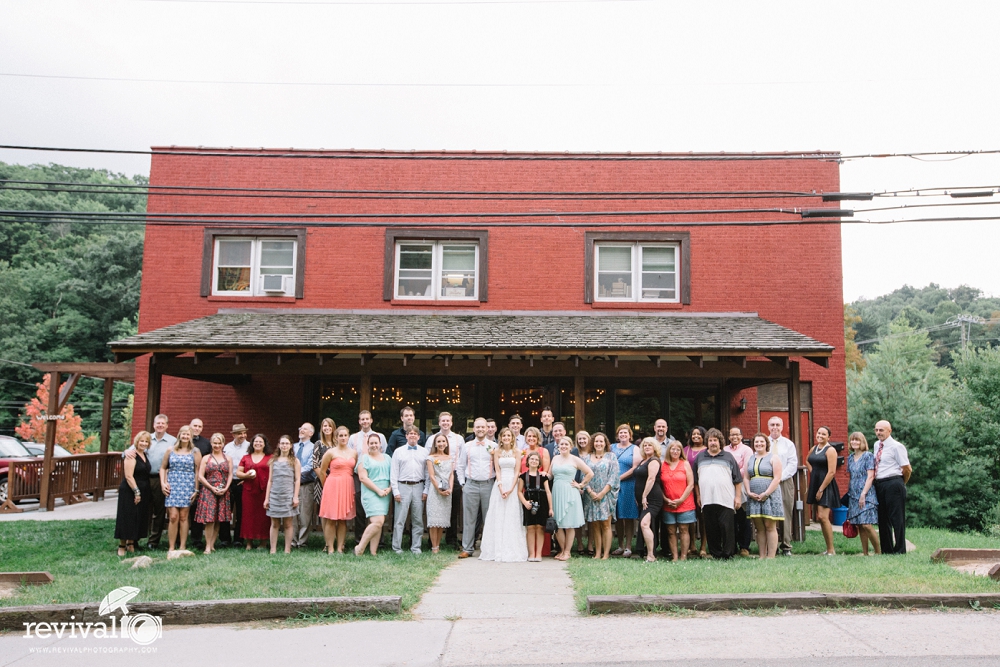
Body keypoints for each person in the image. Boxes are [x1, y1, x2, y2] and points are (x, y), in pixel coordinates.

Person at [692, 428, 742, 560]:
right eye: (710, 440)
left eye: (715, 440)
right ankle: (716, 553)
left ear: (720, 442)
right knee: (711, 527)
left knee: (727, 527)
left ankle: (727, 553)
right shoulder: (700, 457)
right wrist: (698, 496)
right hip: (707, 499)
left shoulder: (728, 457)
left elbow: (737, 480)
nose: (713, 443)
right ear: (707, 442)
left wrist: (738, 497)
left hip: (726, 498)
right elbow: (695, 481)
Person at [479, 427, 528, 562]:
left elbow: (518, 471)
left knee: (512, 516)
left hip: (513, 483)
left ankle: (512, 548)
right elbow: (498, 471)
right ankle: (496, 549)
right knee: (498, 515)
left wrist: (512, 488)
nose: (506, 438)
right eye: (504, 436)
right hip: (500, 485)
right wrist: (500, 486)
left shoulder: (517, 452)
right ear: (500, 438)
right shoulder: (497, 452)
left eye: (508, 435)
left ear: (512, 438)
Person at [133, 413, 175, 549]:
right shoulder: (146, 438)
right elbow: (130, 451)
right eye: (158, 423)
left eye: (163, 423)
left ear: (167, 425)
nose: (160, 425)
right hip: (144, 479)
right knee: (142, 509)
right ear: (154, 425)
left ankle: (153, 541)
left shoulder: (173, 441)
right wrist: (126, 453)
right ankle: (136, 538)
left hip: (161, 479)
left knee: (159, 510)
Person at [549, 437, 593, 561]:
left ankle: (567, 552)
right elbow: (549, 475)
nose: (563, 446)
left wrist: (580, 485)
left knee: (569, 524)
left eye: (566, 444)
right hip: (557, 492)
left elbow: (590, 473)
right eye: (561, 444)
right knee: (557, 524)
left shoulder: (575, 459)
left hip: (570, 493)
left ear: (570, 446)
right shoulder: (555, 458)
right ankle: (562, 550)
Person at [457, 418, 495, 558]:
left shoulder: (493, 446)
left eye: (482, 427)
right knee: (469, 518)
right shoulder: (467, 446)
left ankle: (488, 549)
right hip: (470, 484)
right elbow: (460, 466)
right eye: (477, 427)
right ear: (474, 429)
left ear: (487, 429)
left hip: (488, 485)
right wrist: (462, 483)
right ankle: (467, 548)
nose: (480, 429)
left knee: (489, 518)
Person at [427, 411, 465, 548]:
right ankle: (432, 542)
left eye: (448, 421)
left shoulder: (458, 439)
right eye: (443, 421)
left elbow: (461, 462)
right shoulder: (431, 439)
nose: (445, 423)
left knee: (452, 510)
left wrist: (460, 482)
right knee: (435, 511)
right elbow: (428, 459)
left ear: (451, 422)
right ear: (439, 422)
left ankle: (451, 540)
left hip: (452, 475)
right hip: (436, 476)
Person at [161, 425, 201, 552]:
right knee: (173, 516)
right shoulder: (170, 450)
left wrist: (196, 489)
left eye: (187, 434)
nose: (185, 436)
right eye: (183, 434)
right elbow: (163, 468)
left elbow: (197, 472)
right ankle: (171, 547)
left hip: (187, 486)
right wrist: (163, 483)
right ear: (179, 435)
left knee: (184, 516)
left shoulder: (195, 451)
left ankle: (183, 546)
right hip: (173, 485)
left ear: (191, 437)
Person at [873, 420, 911, 555]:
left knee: (897, 518)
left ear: (889, 431)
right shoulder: (877, 445)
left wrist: (900, 484)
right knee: (882, 518)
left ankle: (900, 549)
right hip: (880, 483)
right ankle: (887, 549)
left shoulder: (897, 447)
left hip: (894, 482)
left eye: (881, 430)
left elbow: (907, 469)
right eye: (876, 430)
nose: (878, 433)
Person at [744, 432, 783, 559]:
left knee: (769, 525)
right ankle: (761, 555)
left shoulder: (773, 458)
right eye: (756, 442)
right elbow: (746, 477)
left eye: (761, 442)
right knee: (759, 527)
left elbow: (777, 478)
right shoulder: (750, 459)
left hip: (770, 495)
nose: (759, 444)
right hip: (754, 496)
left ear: (766, 444)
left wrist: (766, 493)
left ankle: (771, 556)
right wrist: (749, 492)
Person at [391, 425, 429, 554]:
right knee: (399, 519)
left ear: (419, 437)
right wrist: (395, 491)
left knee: (417, 519)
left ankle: (416, 547)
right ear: (406, 436)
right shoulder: (398, 451)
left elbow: (428, 473)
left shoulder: (424, 452)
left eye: (415, 434)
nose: (412, 435)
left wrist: (426, 490)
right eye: (410, 433)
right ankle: (397, 547)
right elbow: (394, 473)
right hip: (403, 486)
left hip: (419, 486)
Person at [318, 425, 357, 554]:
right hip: (332, 485)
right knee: (331, 519)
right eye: (340, 435)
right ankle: (330, 547)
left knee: (342, 520)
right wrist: (327, 486)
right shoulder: (330, 452)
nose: (343, 438)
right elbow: (323, 471)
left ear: (348, 436)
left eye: (345, 435)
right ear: (336, 437)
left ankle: (340, 548)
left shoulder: (354, 453)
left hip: (347, 485)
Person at [350, 411, 387, 544]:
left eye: (367, 419)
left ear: (371, 420)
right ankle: (359, 540)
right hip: (359, 475)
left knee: (378, 508)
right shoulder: (353, 438)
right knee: (360, 509)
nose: (365, 421)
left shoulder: (380, 437)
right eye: (362, 419)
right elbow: (350, 456)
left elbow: (383, 454)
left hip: (377, 476)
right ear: (359, 421)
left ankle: (379, 542)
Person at [194, 432, 233, 555]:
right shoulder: (206, 458)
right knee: (210, 519)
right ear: (211, 443)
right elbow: (200, 476)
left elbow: (231, 474)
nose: (217, 445)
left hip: (223, 490)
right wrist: (211, 487)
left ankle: (212, 544)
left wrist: (226, 488)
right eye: (214, 443)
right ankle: (207, 546)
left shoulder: (228, 458)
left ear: (223, 444)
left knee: (218, 519)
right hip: (208, 490)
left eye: (219, 443)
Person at [115, 431, 153, 556]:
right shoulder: (131, 455)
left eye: (146, 441)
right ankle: (121, 546)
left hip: (144, 489)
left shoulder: (145, 455)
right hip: (130, 490)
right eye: (141, 441)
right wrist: (137, 492)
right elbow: (129, 476)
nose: (143, 443)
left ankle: (131, 544)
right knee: (127, 517)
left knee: (137, 517)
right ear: (137, 441)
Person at [583, 432, 619, 560]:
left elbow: (614, 476)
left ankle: (606, 554)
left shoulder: (611, 457)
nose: (598, 444)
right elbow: (583, 476)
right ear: (593, 443)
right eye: (596, 441)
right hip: (591, 495)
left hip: (606, 495)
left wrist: (603, 492)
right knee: (595, 525)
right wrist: (591, 492)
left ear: (605, 443)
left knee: (606, 524)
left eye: (601, 441)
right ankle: (597, 553)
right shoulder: (587, 458)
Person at [355, 433, 392, 556]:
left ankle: (373, 552)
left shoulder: (387, 458)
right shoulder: (364, 458)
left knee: (378, 523)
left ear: (380, 444)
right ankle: (360, 548)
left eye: (376, 443)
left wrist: (389, 488)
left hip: (385, 493)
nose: (374, 445)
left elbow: (394, 475)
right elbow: (363, 478)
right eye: (371, 443)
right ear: (368, 445)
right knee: (377, 521)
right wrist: (378, 490)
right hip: (371, 492)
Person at [806, 426, 840, 556]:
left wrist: (821, 489)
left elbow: (832, 472)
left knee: (823, 517)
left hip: (826, 485)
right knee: (820, 517)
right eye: (819, 433)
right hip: (816, 483)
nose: (820, 435)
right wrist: (813, 472)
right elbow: (807, 460)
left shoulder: (830, 450)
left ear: (828, 437)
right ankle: (828, 549)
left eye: (823, 434)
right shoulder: (814, 448)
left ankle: (831, 550)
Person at [768, 417, 799, 556]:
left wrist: (779, 477)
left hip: (784, 481)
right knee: (769, 513)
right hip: (767, 482)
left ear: (782, 426)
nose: (775, 427)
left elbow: (793, 464)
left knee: (786, 511)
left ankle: (786, 545)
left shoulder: (788, 444)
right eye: (772, 425)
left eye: (777, 425)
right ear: (768, 427)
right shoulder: (764, 442)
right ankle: (771, 546)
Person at [265, 435, 301, 554]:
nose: (284, 445)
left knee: (288, 523)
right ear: (279, 445)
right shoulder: (273, 460)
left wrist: (295, 496)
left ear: (291, 446)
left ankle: (287, 549)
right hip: (275, 495)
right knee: (274, 523)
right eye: (282, 443)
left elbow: (297, 480)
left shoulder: (295, 461)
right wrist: (267, 498)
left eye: (287, 443)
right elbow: (270, 480)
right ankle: (273, 549)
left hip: (288, 495)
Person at [660, 440, 695, 561]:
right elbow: (658, 485)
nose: (675, 451)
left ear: (681, 451)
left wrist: (680, 500)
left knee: (684, 529)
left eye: (678, 449)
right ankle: (675, 556)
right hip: (668, 503)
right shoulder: (662, 464)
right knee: (671, 531)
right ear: (669, 450)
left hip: (685, 503)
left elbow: (690, 484)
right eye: (673, 449)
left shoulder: (685, 464)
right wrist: (665, 499)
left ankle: (683, 556)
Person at [846, 431, 880, 556]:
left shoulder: (868, 456)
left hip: (866, 493)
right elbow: (851, 477)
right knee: (859, 525)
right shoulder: (849, 458)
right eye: (852, 440)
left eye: (857, 440)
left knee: (866, 524)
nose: (854, 442)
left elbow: (870, 476)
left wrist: (863, 494)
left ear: (862, 442)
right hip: (853, 494)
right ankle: (865, 553)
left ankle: (878, 551)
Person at [237, 434, 272, 550]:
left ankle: (263, 542)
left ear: (265, 444)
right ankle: (249, 542)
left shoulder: (270, 458)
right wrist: (246, 475)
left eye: (260, 442)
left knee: (263, 517)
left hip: (264, 491)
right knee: (248, 516)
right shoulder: (245, 457)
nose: (258, 444)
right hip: (249, 491)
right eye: (256, 442)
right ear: (252, 443)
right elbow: (238, 473)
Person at [518, 450, 552, 562]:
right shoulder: (523, 476)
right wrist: (525, 502)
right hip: (529, 503)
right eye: (531, 459)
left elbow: (548, 492)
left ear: (539, 463)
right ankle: (531, 553)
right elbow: (519, 491)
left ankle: (538, 554)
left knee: (540, 528)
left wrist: (551, 508)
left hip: (542, 503)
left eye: (536, 460)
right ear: (527, 461)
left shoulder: (543, 477)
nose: (534, 461)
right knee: (531, 528)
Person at [611, 424, 639, 557]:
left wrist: (619, 478)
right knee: (617, 517)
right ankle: (620, 545)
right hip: (613, 486)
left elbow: (635, 468)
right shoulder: (611, 448)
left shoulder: (635, 449)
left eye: (625, 433)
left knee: (628, 516)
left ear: (630, 435)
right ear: (617, 435)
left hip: (628, 485)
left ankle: (628, 546)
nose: (623, 435)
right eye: (621, 433)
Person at [633, 438, 664, 562]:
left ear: (655, 447)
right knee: (646, 524)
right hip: (642, 500)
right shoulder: (643, 461)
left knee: (644, 524)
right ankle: (647, 552)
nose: (646, 447)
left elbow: (651, 479)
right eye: (644, 445)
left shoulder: (654, 460)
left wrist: (644, 496)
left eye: (649, 445)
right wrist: (639, 497)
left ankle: (651, 555)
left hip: (652, 498)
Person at [221, 423, 251, 547]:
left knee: (241, 511)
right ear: (233, 434)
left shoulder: (249, 447)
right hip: (228, 481)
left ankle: (239, 539)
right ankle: (225, 539)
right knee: (226, 511)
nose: (242, 435)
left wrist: (246, 478)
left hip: (242, 481)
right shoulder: (227, 447)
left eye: (244, 433)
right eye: (239, 433)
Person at [726, 427, 754, 557]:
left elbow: (746, 467)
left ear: (741, 436)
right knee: (730, 518)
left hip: (741, 485)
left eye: (737, 434)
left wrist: (732, 475)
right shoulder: (725, 450)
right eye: (732, 435)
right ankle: (732, 545)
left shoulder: (747, 450)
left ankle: (744, 546)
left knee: (743, 517)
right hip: (727, 486)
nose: (734, 437)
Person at [426, 432, 455, 553]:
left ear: (447, 443)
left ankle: (439, 544)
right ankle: (434, 547)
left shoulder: (450, 458)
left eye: (443, 441)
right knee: (434, 521)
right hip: (435, 490)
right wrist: (438, 489)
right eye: (439, 442)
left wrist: (450, 489)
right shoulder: (430, 458)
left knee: (442, 520)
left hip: (447, 490)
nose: (441, 444)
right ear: (435, 444)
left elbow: (451, 475)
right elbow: (432, 476)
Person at [291, 423, 317, 548]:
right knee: (292, 514)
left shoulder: (313, 447)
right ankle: (292, 541)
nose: (301, 430)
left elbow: (310, 466)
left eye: (304, 429)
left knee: (305, 515)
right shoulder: (293, 447)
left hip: (306, 484)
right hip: (291, 485)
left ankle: (302, 542)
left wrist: (295, 472)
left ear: (311, 433)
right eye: (300, 428)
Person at [188, 418, 212, 548]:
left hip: (199, 481)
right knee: (182, 510)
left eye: (199, 426)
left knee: (197, 509)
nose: (197, 428)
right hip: (182, 479)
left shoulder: (206, 443)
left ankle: (196, 539)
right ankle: (179, 539)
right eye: (194, 426)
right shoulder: (181, 440)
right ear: (189, 426)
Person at [684, 426, 708, 557]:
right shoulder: (685, 450)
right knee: (690, 517)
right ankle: (692, 545)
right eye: (694, 434)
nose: (696, 436)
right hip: (688, 487)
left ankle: (703, 546)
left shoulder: (707, 450)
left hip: (703, 486)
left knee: (702, 517)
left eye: (699, 434)